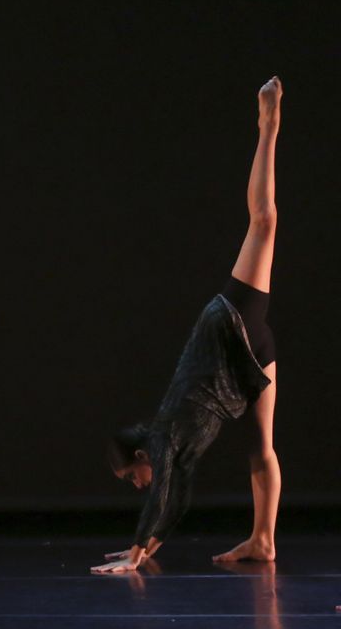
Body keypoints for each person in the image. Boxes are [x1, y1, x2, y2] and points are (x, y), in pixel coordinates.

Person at [93, 77, 283, 575]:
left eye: (132, 476)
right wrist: (147, 548)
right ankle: (263, 541)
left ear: (140, 453)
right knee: (261, 448)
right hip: (245, 366)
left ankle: (267, 125)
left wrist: (134, 556)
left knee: (263, 223)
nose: (139, 485)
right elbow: (173, 503)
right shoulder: (171, 453)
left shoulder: (161, 439)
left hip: (229, 326)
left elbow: (159, 497)